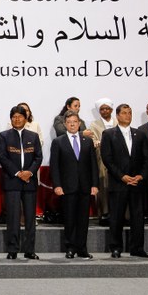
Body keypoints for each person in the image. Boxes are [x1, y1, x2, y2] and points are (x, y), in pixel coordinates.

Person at [100, 104, 148, 258]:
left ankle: (137, 248)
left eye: (129, 113)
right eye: (124, 113)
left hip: (136, 183)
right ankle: (116, 248)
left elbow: (146, 159)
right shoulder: (109, 134)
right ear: (117, 116)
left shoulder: (140, 134)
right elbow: (107, 159)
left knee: (138, 217)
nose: (127, 115)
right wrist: (121, 176)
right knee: (116, 217)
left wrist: (141, 176)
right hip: (118, 183)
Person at [50, 110, 99, 259]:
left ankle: (82, 248)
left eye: (75, 122)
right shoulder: (58, 142)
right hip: (67, 187)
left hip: (85, 187)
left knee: (83, 220)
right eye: (69, 122)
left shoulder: (87, 141)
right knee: (70, 219)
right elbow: (54, 166)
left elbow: (93, 165)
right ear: (65, 124)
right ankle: (70, 248)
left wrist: (95, 184)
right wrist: (57, 185)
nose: (72, 124)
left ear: (79, 124)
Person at [0, 105, 43, 260]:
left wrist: (29, 172)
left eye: (20, 116)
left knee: (30, 219)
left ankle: (29, 250)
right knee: (13, 218)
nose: (17, 119)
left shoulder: (33, 136)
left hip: (29, 181)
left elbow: (38, 157)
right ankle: (12, 249)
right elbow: (2, 157)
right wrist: (18, 173)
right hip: (12, 181)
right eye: (14, 117)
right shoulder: (4, 136)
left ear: (26, 118)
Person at [88, 98, 115, 226]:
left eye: (107, 108)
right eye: (102, 109)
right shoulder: (94, 125)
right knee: (103, 186)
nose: (105, 111)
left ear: (111, 110)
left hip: (118, 159)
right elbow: (93, 140)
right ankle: (105, 213)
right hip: (102, 160)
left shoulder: (117, 122)